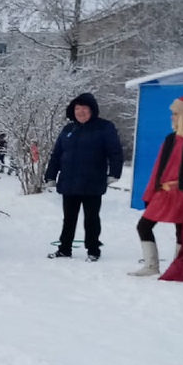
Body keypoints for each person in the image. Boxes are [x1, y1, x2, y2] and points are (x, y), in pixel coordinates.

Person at [45, 92, 124, 261]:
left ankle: (93, 250)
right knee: (69, 218)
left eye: (84, 108)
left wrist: (114, 173)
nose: (80, 112)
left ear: (92, 110)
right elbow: (57, 154)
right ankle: (64, 248)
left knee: (91, 218)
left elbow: (115, 152)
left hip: (92, 182)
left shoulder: (104, 127)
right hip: (69, 182)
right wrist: (50, 175)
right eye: (77, 108)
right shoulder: (68, 129)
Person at [131, 95, 183, 277]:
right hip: (164, 193)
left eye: (175, 114)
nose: (172, 117)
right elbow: (158, 168)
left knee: (182, 231)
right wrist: (149, 194)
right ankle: (151, 266)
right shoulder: (170, 139)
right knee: (144, 226)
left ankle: (180, 267)